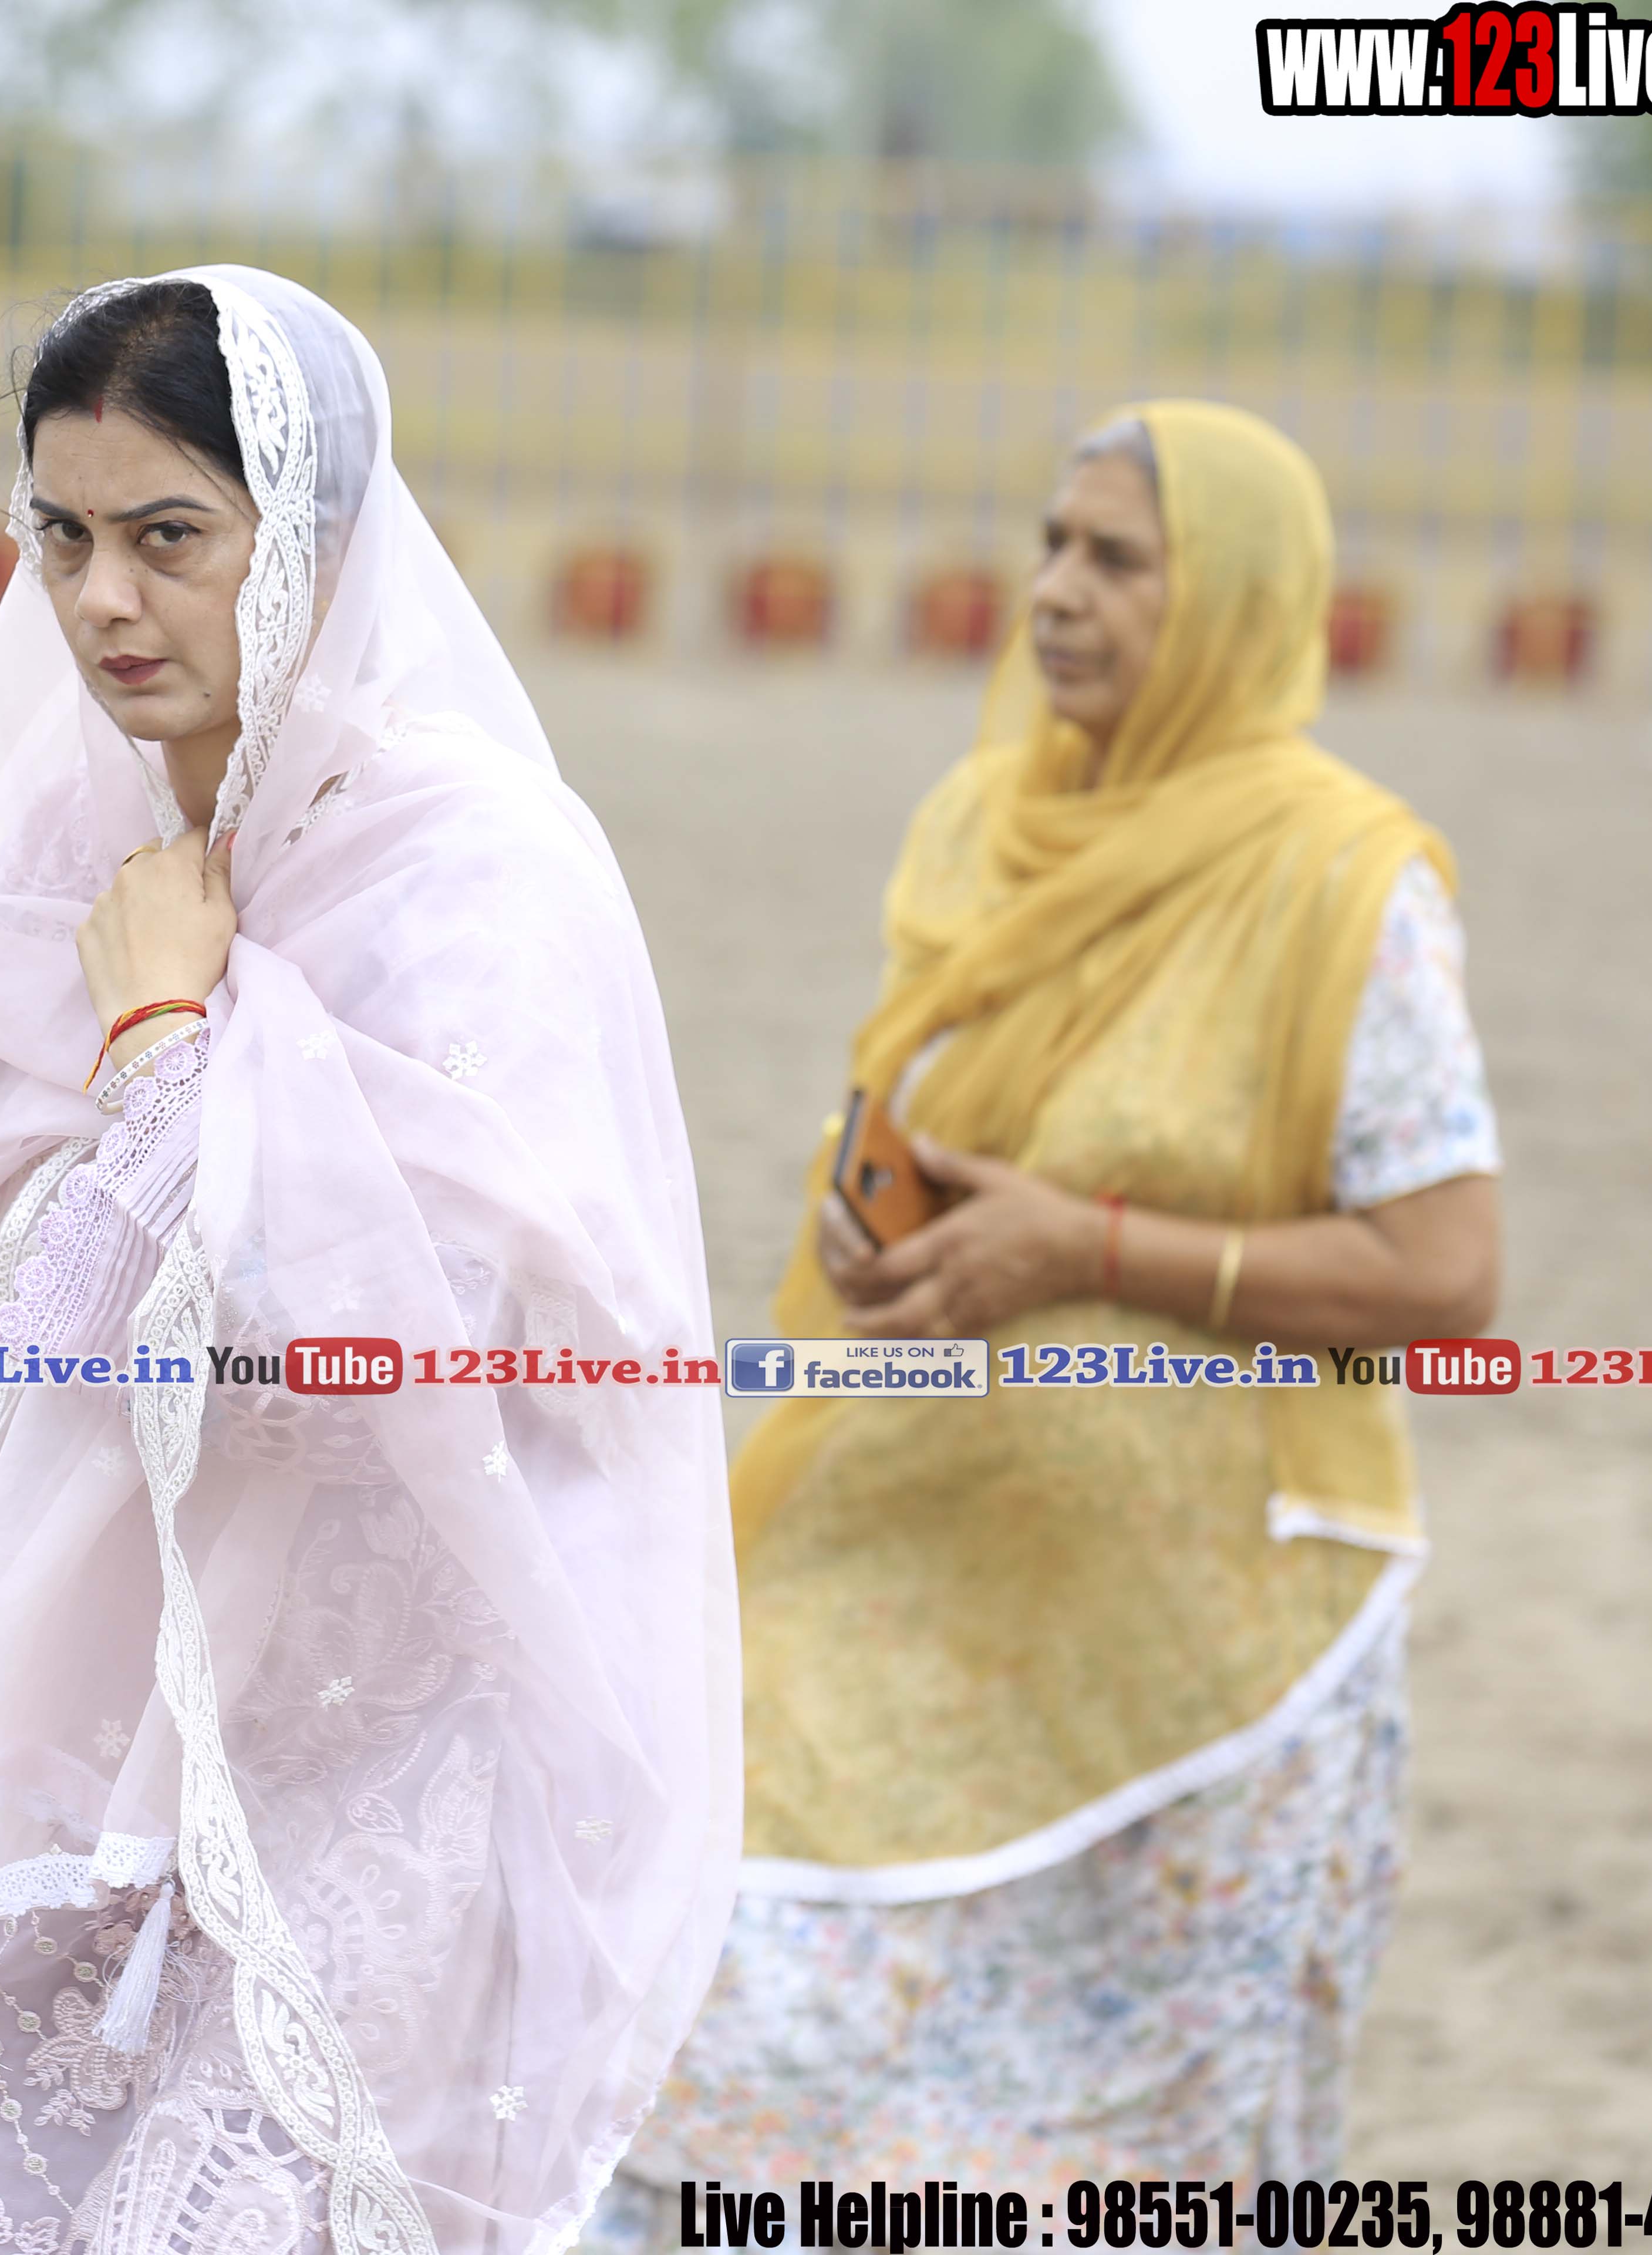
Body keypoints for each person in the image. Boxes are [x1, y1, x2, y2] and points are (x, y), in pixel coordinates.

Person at [0, 270, 740, 2253]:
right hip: (94, 1757)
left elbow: (380, 1366)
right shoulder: (76, 866)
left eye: (170, 538)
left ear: (322, 545)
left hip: (392, 1765)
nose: (104, 601)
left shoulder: (473, 882)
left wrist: (165, 1047)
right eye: (62, 538)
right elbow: (20, 1366)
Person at [586, 403, 1503, 2234]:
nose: (1059, 594)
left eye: (1120, 561)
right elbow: (953, 1121)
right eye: (1053, 547)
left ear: (1237, 601)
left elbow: (1446, 1278)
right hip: (913, 1547)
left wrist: (1086, 1248)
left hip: (1210, 1633)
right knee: (689, 1972)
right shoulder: (993, 828)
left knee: (1143, 2155)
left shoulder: (1347, 881)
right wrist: (895, 1230)